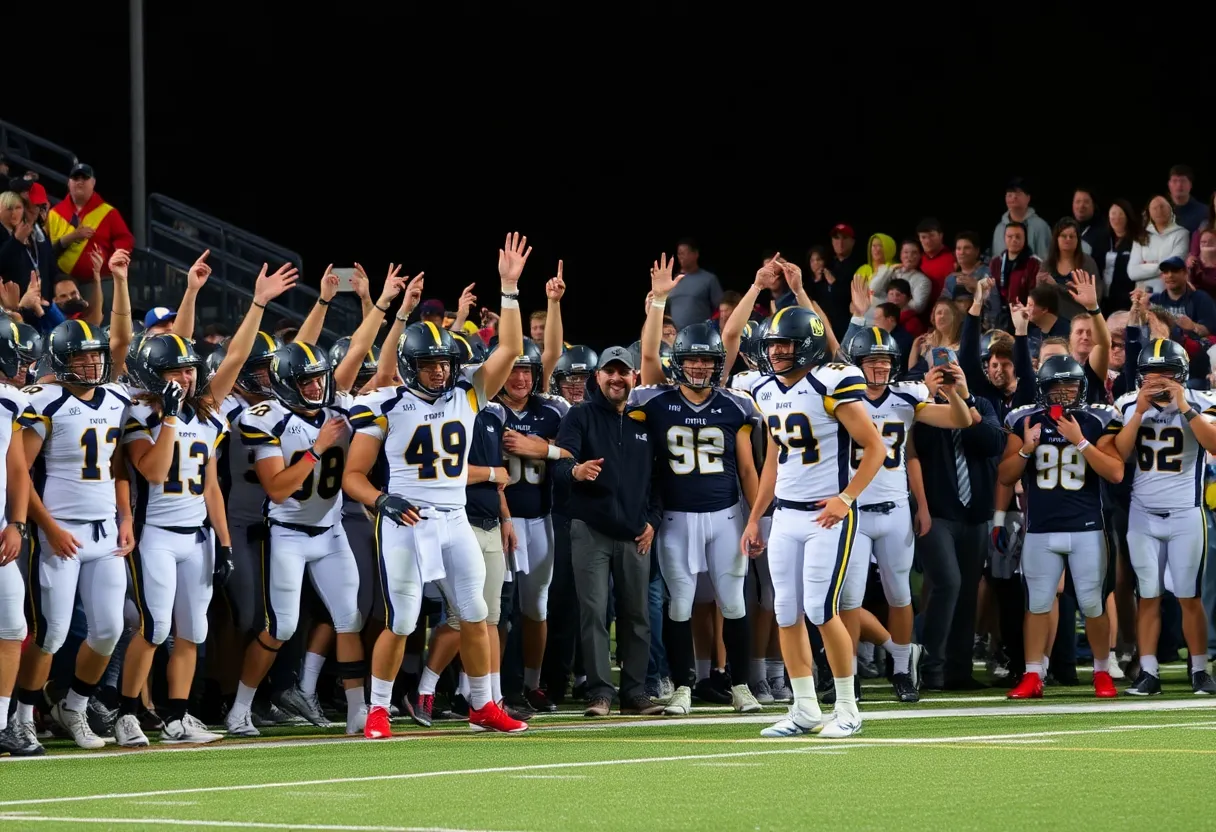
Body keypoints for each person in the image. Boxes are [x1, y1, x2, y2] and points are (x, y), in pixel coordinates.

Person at [344, 232, 531, 737]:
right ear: (408, 364)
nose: (438, 371)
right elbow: (353, 477)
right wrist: (383, 499)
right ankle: (378, 710)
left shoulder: (466, 395)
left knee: (474, 613)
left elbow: (511, 346)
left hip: (455, 520)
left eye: (443, 363)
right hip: (406, 520)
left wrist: (509, 287)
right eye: (428, 363)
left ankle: (482, 704)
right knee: (402, 619)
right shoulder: (383, 404)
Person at [742, 306, 887, 739]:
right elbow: (774, 460)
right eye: (773, 345)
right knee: (786, 611)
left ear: (807, 343)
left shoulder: (830, 383)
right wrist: (755, 518)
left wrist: (846, 498)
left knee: (821, 610)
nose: (777, 353)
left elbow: (874, 448)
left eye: (785, 344)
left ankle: (847, 707)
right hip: (785, 514)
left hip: (827, 516)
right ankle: (804, 707)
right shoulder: (766, 390)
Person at [633, 265, 764, 715]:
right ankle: (685, 686)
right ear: (679, 361)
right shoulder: (657, 401)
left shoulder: (733, 404)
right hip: (675, 517)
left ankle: (741, 685)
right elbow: (649, 356)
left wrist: (753, 517)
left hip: (725, 514)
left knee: (732, 601)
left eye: (707, 361)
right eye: (691, 359)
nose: (699, 366)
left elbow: (748, 469)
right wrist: (656, 302)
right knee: (680, 603)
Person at [13, 319, 136, 750]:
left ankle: (75, 706)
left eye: (95, 355)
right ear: (62, 361)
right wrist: (48, 526)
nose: (90, 364)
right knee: (53, 633)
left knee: (109, 629)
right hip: (60, 532)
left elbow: (119, 466)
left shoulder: (119, 398)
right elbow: (19, 473)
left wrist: (126, 517)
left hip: (106, 533)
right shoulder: (44, 400)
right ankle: (23, 716)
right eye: (80, 357)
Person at [841, 327, 972, 702]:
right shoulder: (841, 396)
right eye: (871, 361)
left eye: (884, 361)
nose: (879, 368)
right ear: (857, 363)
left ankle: (901, 668)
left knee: (899, 593)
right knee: (850, 599)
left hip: (895, 507)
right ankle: (848, 674)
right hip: (854, 506)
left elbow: (960, 421)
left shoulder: (906, 395)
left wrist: (955, 393)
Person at [999, 356, 1127, 700]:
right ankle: (1032, 674)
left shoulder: (1097, 419)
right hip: (1041, 528)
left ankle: (1102, 672)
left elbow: (1115, 473)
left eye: (1070, 386)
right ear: (1043, 390)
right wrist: (1026, 449)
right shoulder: (1024, 419)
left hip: (1087, 526)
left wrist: (1081, 441)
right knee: (1038, 604)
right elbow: (1005, 475)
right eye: (1055, 388)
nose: (1063, 394)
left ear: (1081, 387)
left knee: (1092, 603)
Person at [555, 345, 664, 717]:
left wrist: (653, 521)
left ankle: (634, 693)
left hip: (636, 532)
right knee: (594, 612)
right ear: (597, 377)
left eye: (624, 372)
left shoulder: (644, 421)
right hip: (591, 528)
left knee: (637, 615)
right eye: (609, 372)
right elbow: (560, 462)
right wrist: (575, 471)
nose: (616, 378)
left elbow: (660, 480)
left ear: (635, 377)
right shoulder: (579, 417)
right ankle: (600, 692)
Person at [1111, 341, 1216, 695]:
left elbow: (1214, 444)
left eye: (1165, 374)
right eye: (1149, 375)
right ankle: (1149, 672)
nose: (1157, 381)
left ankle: (1200, 670)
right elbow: (1121, 456)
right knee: (1148, 595)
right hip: (1143, 514)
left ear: (1181, 374)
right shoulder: (1127, 403)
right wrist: (1140, 412)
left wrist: (1184, 405)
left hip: (1187, 512)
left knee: (1189, 596)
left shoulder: (1201, 401)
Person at [496, 337, 570, 712]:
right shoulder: (487, 410)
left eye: (525, 369)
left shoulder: (554, 410)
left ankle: (531, 683)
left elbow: (576, 453)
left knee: (536, 608)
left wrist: (540, 448)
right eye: (512, 368)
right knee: (500, 610)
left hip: (542, 520)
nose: (519, 377)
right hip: (500, 520)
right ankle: (493, 687)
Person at [0, 324, 35, 756]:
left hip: (1, 532)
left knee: (13, 627)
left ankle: (1, 721)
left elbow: (18, 469)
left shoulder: (10, 401)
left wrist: (17, 523)